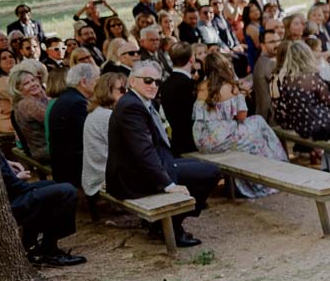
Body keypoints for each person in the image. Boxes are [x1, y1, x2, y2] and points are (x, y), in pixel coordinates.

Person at [107, 61, 218, 247]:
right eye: (148, 80)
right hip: (134, 177)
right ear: (132, 81)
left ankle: (162, 224)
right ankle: (171, 227)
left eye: (157, 82)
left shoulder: (141, 102)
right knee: (209, 173)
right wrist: (168, 184)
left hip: (148, 167)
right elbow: (144, 152)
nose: (153, 86)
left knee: (208, 168)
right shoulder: (130, 107)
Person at [192, 53, 288, 196]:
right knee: (259, 123)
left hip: (202, 141)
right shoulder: (230, 87)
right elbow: (242, 117)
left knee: (255, 132)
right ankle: (280, 166)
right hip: (221, 140)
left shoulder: (201, 87)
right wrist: (241, 96)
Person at [271, 41, 330, 174]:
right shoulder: (312, 78)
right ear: (307, 56)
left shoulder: (286, 80)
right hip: (316, 125)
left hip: (300, 125)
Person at [1, 154, 84, 267]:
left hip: (12, 193)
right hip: (6, 204)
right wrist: (16, 177)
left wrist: (8, 162)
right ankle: (49, 250)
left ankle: (32, 246)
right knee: (67, 191)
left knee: (50, 185)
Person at [46, 63, 98, 188]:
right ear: (84, 82)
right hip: (73, 168)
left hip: (65, 164)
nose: (99, 84)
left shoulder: (68, 97)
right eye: (97, 80)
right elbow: (90, 137)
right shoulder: (77, 102)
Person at [82, 71, 128, 199]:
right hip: (104, 179)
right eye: (122, 90)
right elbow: (128, 151)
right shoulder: (107, 116)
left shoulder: (99, 112)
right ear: (107, 91)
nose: (127, 93)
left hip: (100, 174)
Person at [159, 42, 198, 156]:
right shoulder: (188, 85)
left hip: (175, 142)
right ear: (191, 59)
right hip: (191, 143)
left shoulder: (166, 84)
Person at [9, 60, 52, 162]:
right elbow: (52, 121)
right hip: (44, 151)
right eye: (26, 83)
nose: (33, 84)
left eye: (33, 80)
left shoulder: (35, 98)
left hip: (48, 146)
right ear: (18, 89)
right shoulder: (27, 104)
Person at [251, 25, 280, 119]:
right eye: (272, 42)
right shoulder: (267, 63)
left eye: (278, 40)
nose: (277, 44)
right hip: (272, 119)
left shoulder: (268, 60)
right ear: (262, 45)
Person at [0, 49, 16, 134]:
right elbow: (19, 99)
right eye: (4, 58)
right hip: (8, 121)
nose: (9, 59)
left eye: (11, 56)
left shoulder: (14, 76)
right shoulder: (1, 80)